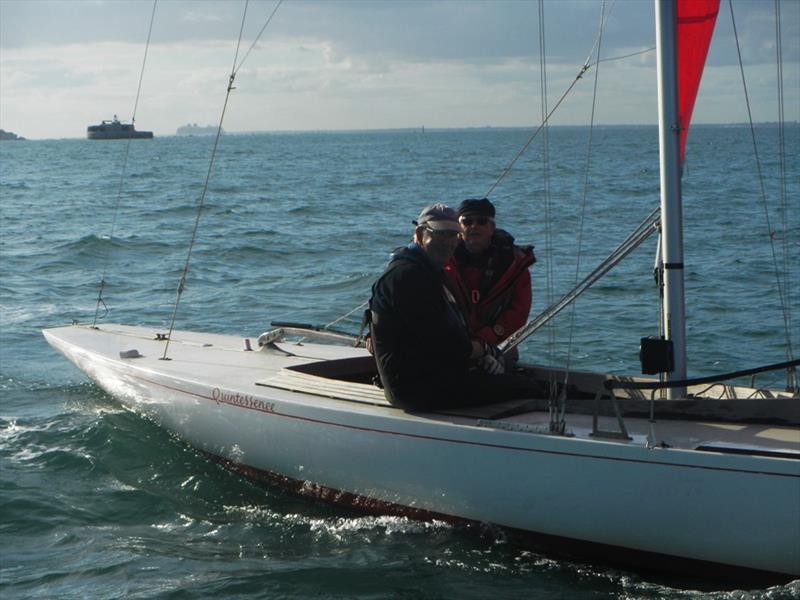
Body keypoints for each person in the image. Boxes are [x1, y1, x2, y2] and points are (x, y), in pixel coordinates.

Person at [368, 203, 506, 411]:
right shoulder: (407, 277)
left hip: (434, 378)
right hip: (416, 391)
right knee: (527, 387)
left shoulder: (429, 272)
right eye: (440, 234)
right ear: (419, 233)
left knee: (515, 375)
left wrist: (482, 354)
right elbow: (447, 345)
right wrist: (485, 350)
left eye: (453, 235)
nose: (449, 243)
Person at [444, 198, 535, 362]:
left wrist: (485, 339)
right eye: (467, 221)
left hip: (499, 346)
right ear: (459, 228)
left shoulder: (514, 264)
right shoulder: (443, 259)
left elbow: (518, 312)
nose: (474, 226)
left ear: (492, 227)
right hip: (452, 344)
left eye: (481, 221)